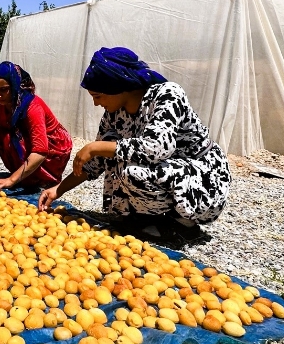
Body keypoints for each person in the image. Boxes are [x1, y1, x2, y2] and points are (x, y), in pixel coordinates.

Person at [38, 47, 231, 236]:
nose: (96, 103)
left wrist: (95, 147)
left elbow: (158, 147)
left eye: (98, 96)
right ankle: (145, 218)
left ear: (117, 86)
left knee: (129, 167)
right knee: (112, 147)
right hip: (169, 171)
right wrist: (58, 190)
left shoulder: (167, 95)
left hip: (202, 178)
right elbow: (94, 164)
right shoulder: (113, 114)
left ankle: (183, 224)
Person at [0, 61, 73, 191]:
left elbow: (40, 151)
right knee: (1, 135)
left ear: (15, 86)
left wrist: (11, 180)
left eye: (4, 90)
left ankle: (42, 178)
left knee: (17, 139)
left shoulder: (32, 106)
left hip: (52, 146)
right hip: (26, 141)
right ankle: (24, 174)